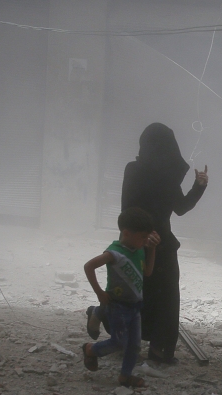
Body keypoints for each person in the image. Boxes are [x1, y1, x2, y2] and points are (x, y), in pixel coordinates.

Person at [87, 123, 208, 365]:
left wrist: (199, 186)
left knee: (166, 297)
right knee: (130, 296)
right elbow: (127, 209)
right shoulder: (134, 170)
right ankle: (101, 313)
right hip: (137, 243)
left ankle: (159, 349)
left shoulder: (168, 175)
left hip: (163, 244)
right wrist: (142, 236)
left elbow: (180, 207)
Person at [81, 207, 160, 388]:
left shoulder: (139, 249)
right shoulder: (114, 253)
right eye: (142, 237)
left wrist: (152, 249)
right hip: (117, 306)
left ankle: (125, 376)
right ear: (126, 233)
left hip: (135, 306)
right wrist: (99, 293)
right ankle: (90, 349)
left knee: (135, 345)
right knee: (118, 342)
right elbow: (89, 266)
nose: (145, 241)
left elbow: (148, 272)